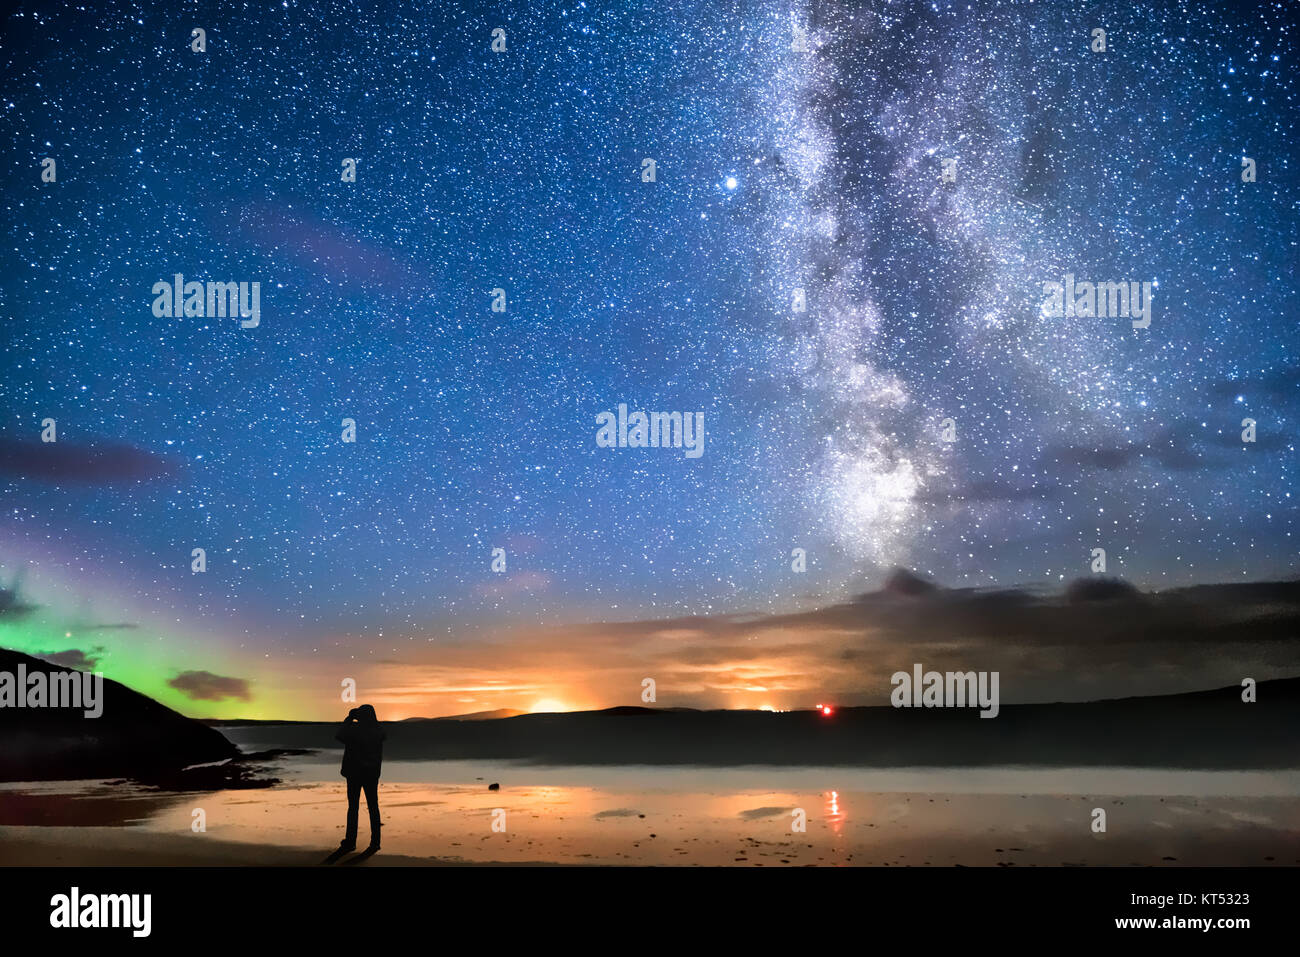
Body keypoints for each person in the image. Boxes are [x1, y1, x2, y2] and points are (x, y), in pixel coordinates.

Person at [336, 704, 385, 851]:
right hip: (371, 773)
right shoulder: (378, 732)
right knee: (373, 807)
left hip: (355, 773)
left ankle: (351, 841)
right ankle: (375, 842)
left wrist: (350, 718)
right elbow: (382, 733)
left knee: (353, 808)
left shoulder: (355, 732)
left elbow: (339, 735)